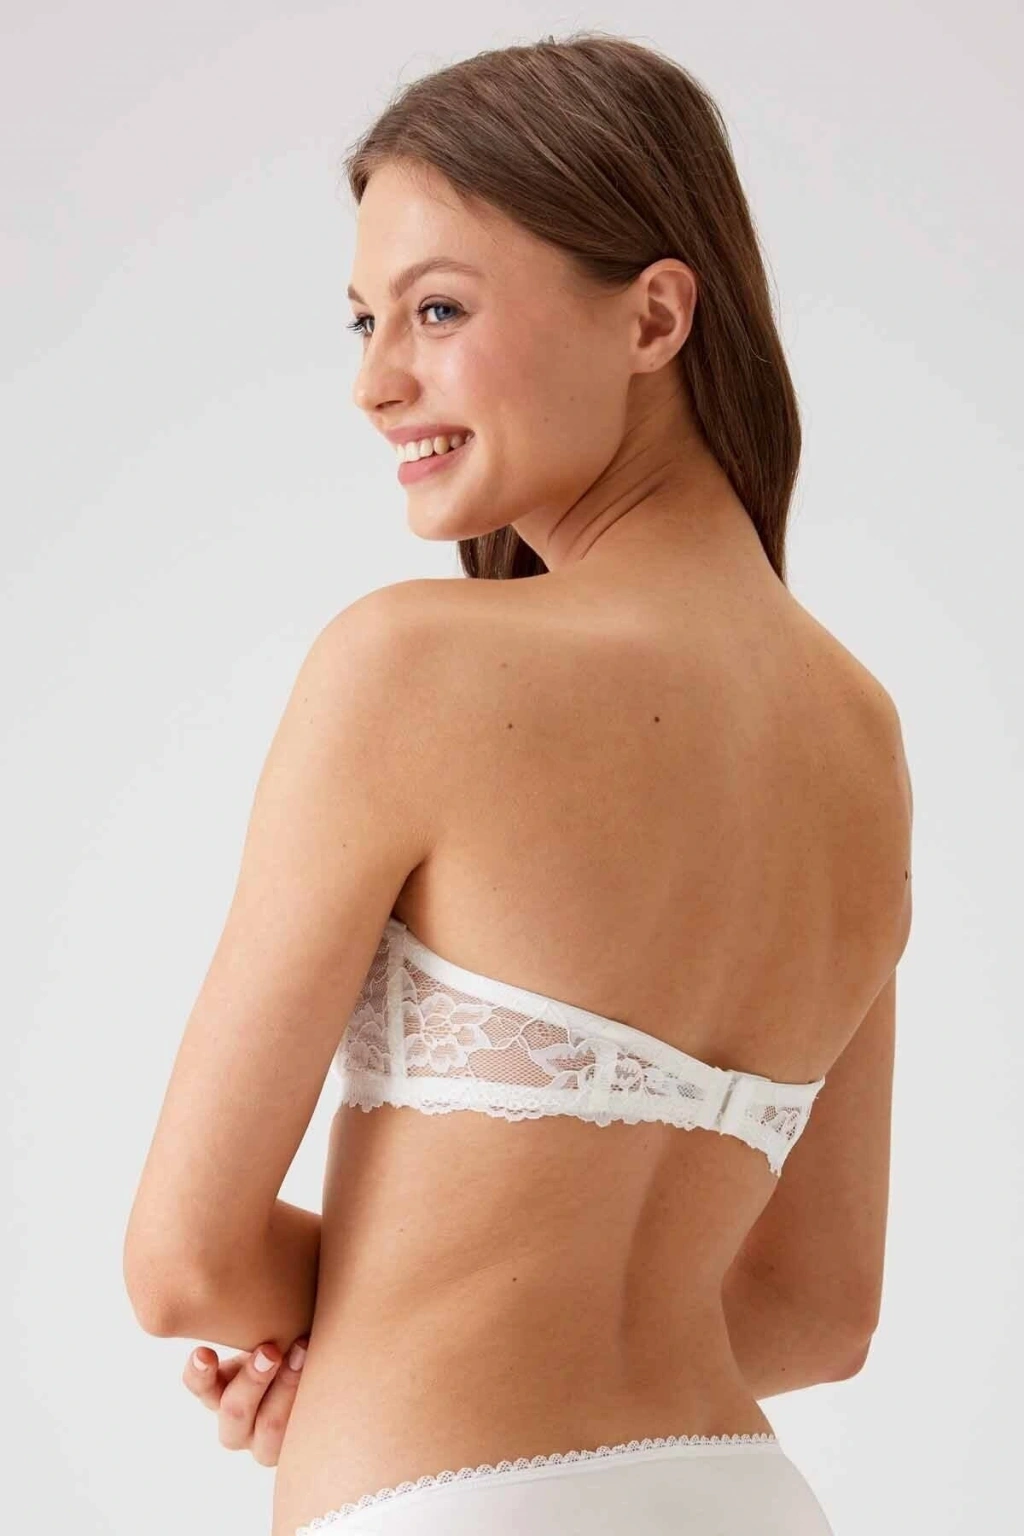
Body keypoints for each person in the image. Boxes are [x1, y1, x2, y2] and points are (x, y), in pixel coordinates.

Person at [125, 30, 913, 1536]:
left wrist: (374, 1353)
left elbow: (185, 1264)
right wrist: (448, 1340)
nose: (376, 382)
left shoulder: (413, 665)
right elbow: (820, 1314)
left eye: (438, 309)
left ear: (655, 315)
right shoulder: (859, 732)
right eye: (363, 320)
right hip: (744, 1499)